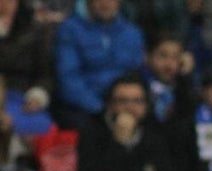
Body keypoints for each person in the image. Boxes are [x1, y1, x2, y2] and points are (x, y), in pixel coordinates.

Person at [74, 73, 174, 171]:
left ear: (146, 105)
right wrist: (118, 145)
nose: (130, 107)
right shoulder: (92, 132)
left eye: (137, 101)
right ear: (110, 105)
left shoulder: (155, 135)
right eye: (122, 101)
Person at [52, 0, 145, 128]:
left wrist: (126, 105)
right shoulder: (70, 30)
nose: (105, 3)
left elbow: (137, 74)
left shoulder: (132, 33)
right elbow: (68, 78)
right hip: (85, 108)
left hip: (125, 102)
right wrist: (100, 108)